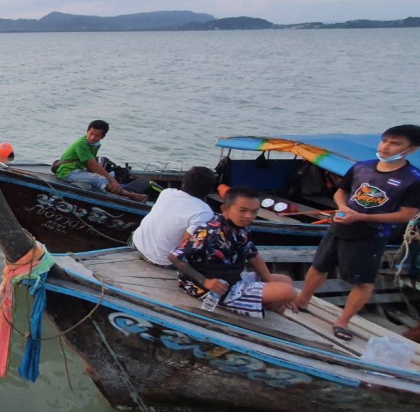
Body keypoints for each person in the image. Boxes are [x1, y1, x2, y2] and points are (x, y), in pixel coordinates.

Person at [294, 124, 420, 341]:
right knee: (319, 265)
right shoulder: (363, 167)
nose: (386, 147)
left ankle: (343, 322)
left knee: (363, 281)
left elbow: (406, 214)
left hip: (371, 235)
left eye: (395, 143)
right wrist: (343, 208)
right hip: (340, 226)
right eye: (385, 141)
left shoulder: (413, 179)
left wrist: (363, 217)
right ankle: (302, 301)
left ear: (411, 149)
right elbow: (340, 192)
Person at [168, 186, 297, 318]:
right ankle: (266, 305)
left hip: (234, 279)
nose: (249, 216)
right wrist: (205, 281)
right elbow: (174, 257)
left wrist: (271, 285)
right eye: (243, 211)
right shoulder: (210, 232)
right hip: (215, 288)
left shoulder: (242, 228)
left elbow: (254, 256)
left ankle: (266, 302)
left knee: (285, 280)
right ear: (225, 209)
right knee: (288, 291)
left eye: (254, 212)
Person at [132, 166, 216, 267]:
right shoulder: (204, 211)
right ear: (209, 190)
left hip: (137, 243)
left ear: (184, 182)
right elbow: (186, 245)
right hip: (162, 260)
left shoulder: (166, 192)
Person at [55, 120, 147, 202]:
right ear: (87, 131)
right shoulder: (81, 144)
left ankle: (119, 190)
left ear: (102, 137)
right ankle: (131, 195)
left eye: (97, 135)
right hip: (67, 172)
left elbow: (91, 165)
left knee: (110, 175)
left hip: (80, 170)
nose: (92, 137)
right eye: (91, 134)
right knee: (99, 179)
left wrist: (109, 179)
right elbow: (92, 164)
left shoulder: (95, 144)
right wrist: (113, 181)